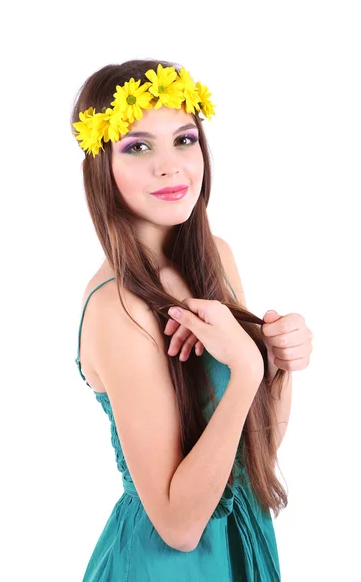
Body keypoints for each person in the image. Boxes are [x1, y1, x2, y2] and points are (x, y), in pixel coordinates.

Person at [71, 59, 313, 581]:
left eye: (184, 139)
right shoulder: (120, 309)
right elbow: (179, 526)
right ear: (101, 166)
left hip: (240, 542)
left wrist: (278, 363)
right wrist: (247, 367)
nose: (170, 165)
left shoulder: (216, 258)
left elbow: (255, 455)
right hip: (169, 566)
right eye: (137, 147)